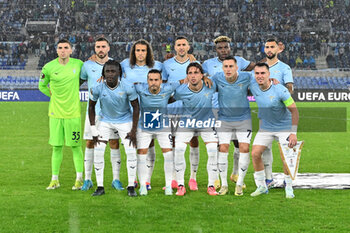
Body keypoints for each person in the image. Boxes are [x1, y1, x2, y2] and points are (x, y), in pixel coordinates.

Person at [202, 35, 254, 186]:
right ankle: (218, 177)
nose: (223, 50)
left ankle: (235, 173)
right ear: (215, 49)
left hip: (237, 110)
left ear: (230, 48)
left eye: (226, 47)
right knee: (219, 145)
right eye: (220, 48)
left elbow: (256, 68)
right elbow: (197, 71)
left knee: (239, 144)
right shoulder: (208, 64)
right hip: (215, 109)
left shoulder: (240, 61)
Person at [89, 60, 139, 197]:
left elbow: (136, 106)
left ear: (119, 73)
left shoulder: (127, 86)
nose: (110, 74)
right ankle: (100, 187)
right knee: (98, 152)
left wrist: (133, 130)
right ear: (103, 73)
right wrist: (93, 128)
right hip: (105, 121)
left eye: (113, 71)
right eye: (107, 71)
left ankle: (130, 186)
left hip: (125, 121)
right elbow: (91, 106)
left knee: (131, 152)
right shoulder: (98, 87)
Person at [39, 39, 84, 190]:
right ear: (56, 50)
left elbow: (88, 75)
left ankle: (79, 179)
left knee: (76, 147)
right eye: (60, 48)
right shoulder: (48, 67)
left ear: (71, 50)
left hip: (73, 114)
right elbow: (42, 85)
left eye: (66, 47)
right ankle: (54, 180)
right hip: (55, 114)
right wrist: (53, 95)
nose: (63, 50)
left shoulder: (78, 64)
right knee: (57, 147)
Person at [249, 63, 299, 199]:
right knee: (255, 154)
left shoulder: (280, 90)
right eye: (257, 73)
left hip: (284, 128)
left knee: (286, 157)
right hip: (266, 128)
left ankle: (288, 186)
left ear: (269, 75)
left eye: (263, 73)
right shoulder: (253, 86)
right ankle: (261, 186)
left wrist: (293, 133)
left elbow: (294, 111)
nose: (260, 76)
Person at [80, 37, 123, 191]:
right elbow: (78, 82)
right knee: (90, 142)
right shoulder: (87, 65)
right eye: (98, 47)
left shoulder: (116, 65)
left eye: (103, 46)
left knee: (114, 143)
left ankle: (116, 179)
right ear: (94, 48)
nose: (100, 49)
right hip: (93, 112)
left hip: (112, 112)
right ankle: (87, 179)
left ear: (108, 48)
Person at [121, 39, 163, 190]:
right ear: (133, 52)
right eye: (137, 50)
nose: (140, 53)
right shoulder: (125, 65)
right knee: (134, 146)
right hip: (130, 112)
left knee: (150, 144)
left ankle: (147, 180)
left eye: (143, 50)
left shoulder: (157, 66)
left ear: (148, 52)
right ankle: (134, 179)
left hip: (150, 111)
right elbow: (112, 73)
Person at [135, 69, 185, 196]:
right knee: (141, 154)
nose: (153, 83)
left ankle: (168, 186)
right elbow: (123, 85)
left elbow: (185, 80)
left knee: (168, 155)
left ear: (161, 81)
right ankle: (143, 186)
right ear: (147, 81)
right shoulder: (140, 88)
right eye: (151, 80)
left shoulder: (168, 88)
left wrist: (205, 77)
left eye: (156, 80)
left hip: (163, 127)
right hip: (145, 127)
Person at [172, 62, 219, 196]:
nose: (193, 76)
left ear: (202, 75)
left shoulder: (210, 86)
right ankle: (181, 185)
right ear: (187, 76)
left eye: (196, 72)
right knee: (179, 149)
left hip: (206, 124)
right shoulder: (181, 91)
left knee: (212, 151)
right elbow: (169, 96)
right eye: (190, 73)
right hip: (187, 123)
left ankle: (211, 186)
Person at [162, 36, 200, 191]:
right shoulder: (166, 64)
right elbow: (163, 86)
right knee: (172, 144)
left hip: (191, 109)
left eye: (184, 44)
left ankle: (193, 177)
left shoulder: (195, 64)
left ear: (189, 47)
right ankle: (173, 179)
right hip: (172, 108)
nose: (181, 47)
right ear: (175, 47)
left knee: (193, 141)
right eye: (179, 45)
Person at [212, 56, 253, 196]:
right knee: (223, 148)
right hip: (224, 119)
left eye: (231, 66)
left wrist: (272, 80)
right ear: (222, 68)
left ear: (237, 68)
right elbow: (204, 84)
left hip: (243, 119)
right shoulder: (217, 77)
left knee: (244, 148)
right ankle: (223, 185)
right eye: (226, 66)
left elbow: (261, 77)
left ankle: (239, 184)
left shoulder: (247, 77)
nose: (228, 69)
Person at [262, 38, 294, 188]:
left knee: (285, 149)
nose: (269, 49)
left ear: (278, 49)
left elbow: (290, 88)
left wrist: (278, 89)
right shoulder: (260, 68)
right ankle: (269, 179)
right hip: (266, 115)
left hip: (282, 115)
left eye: (272, 47)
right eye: (267, 47)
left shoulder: (284, 68)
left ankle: (288, 182)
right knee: (265, 148)